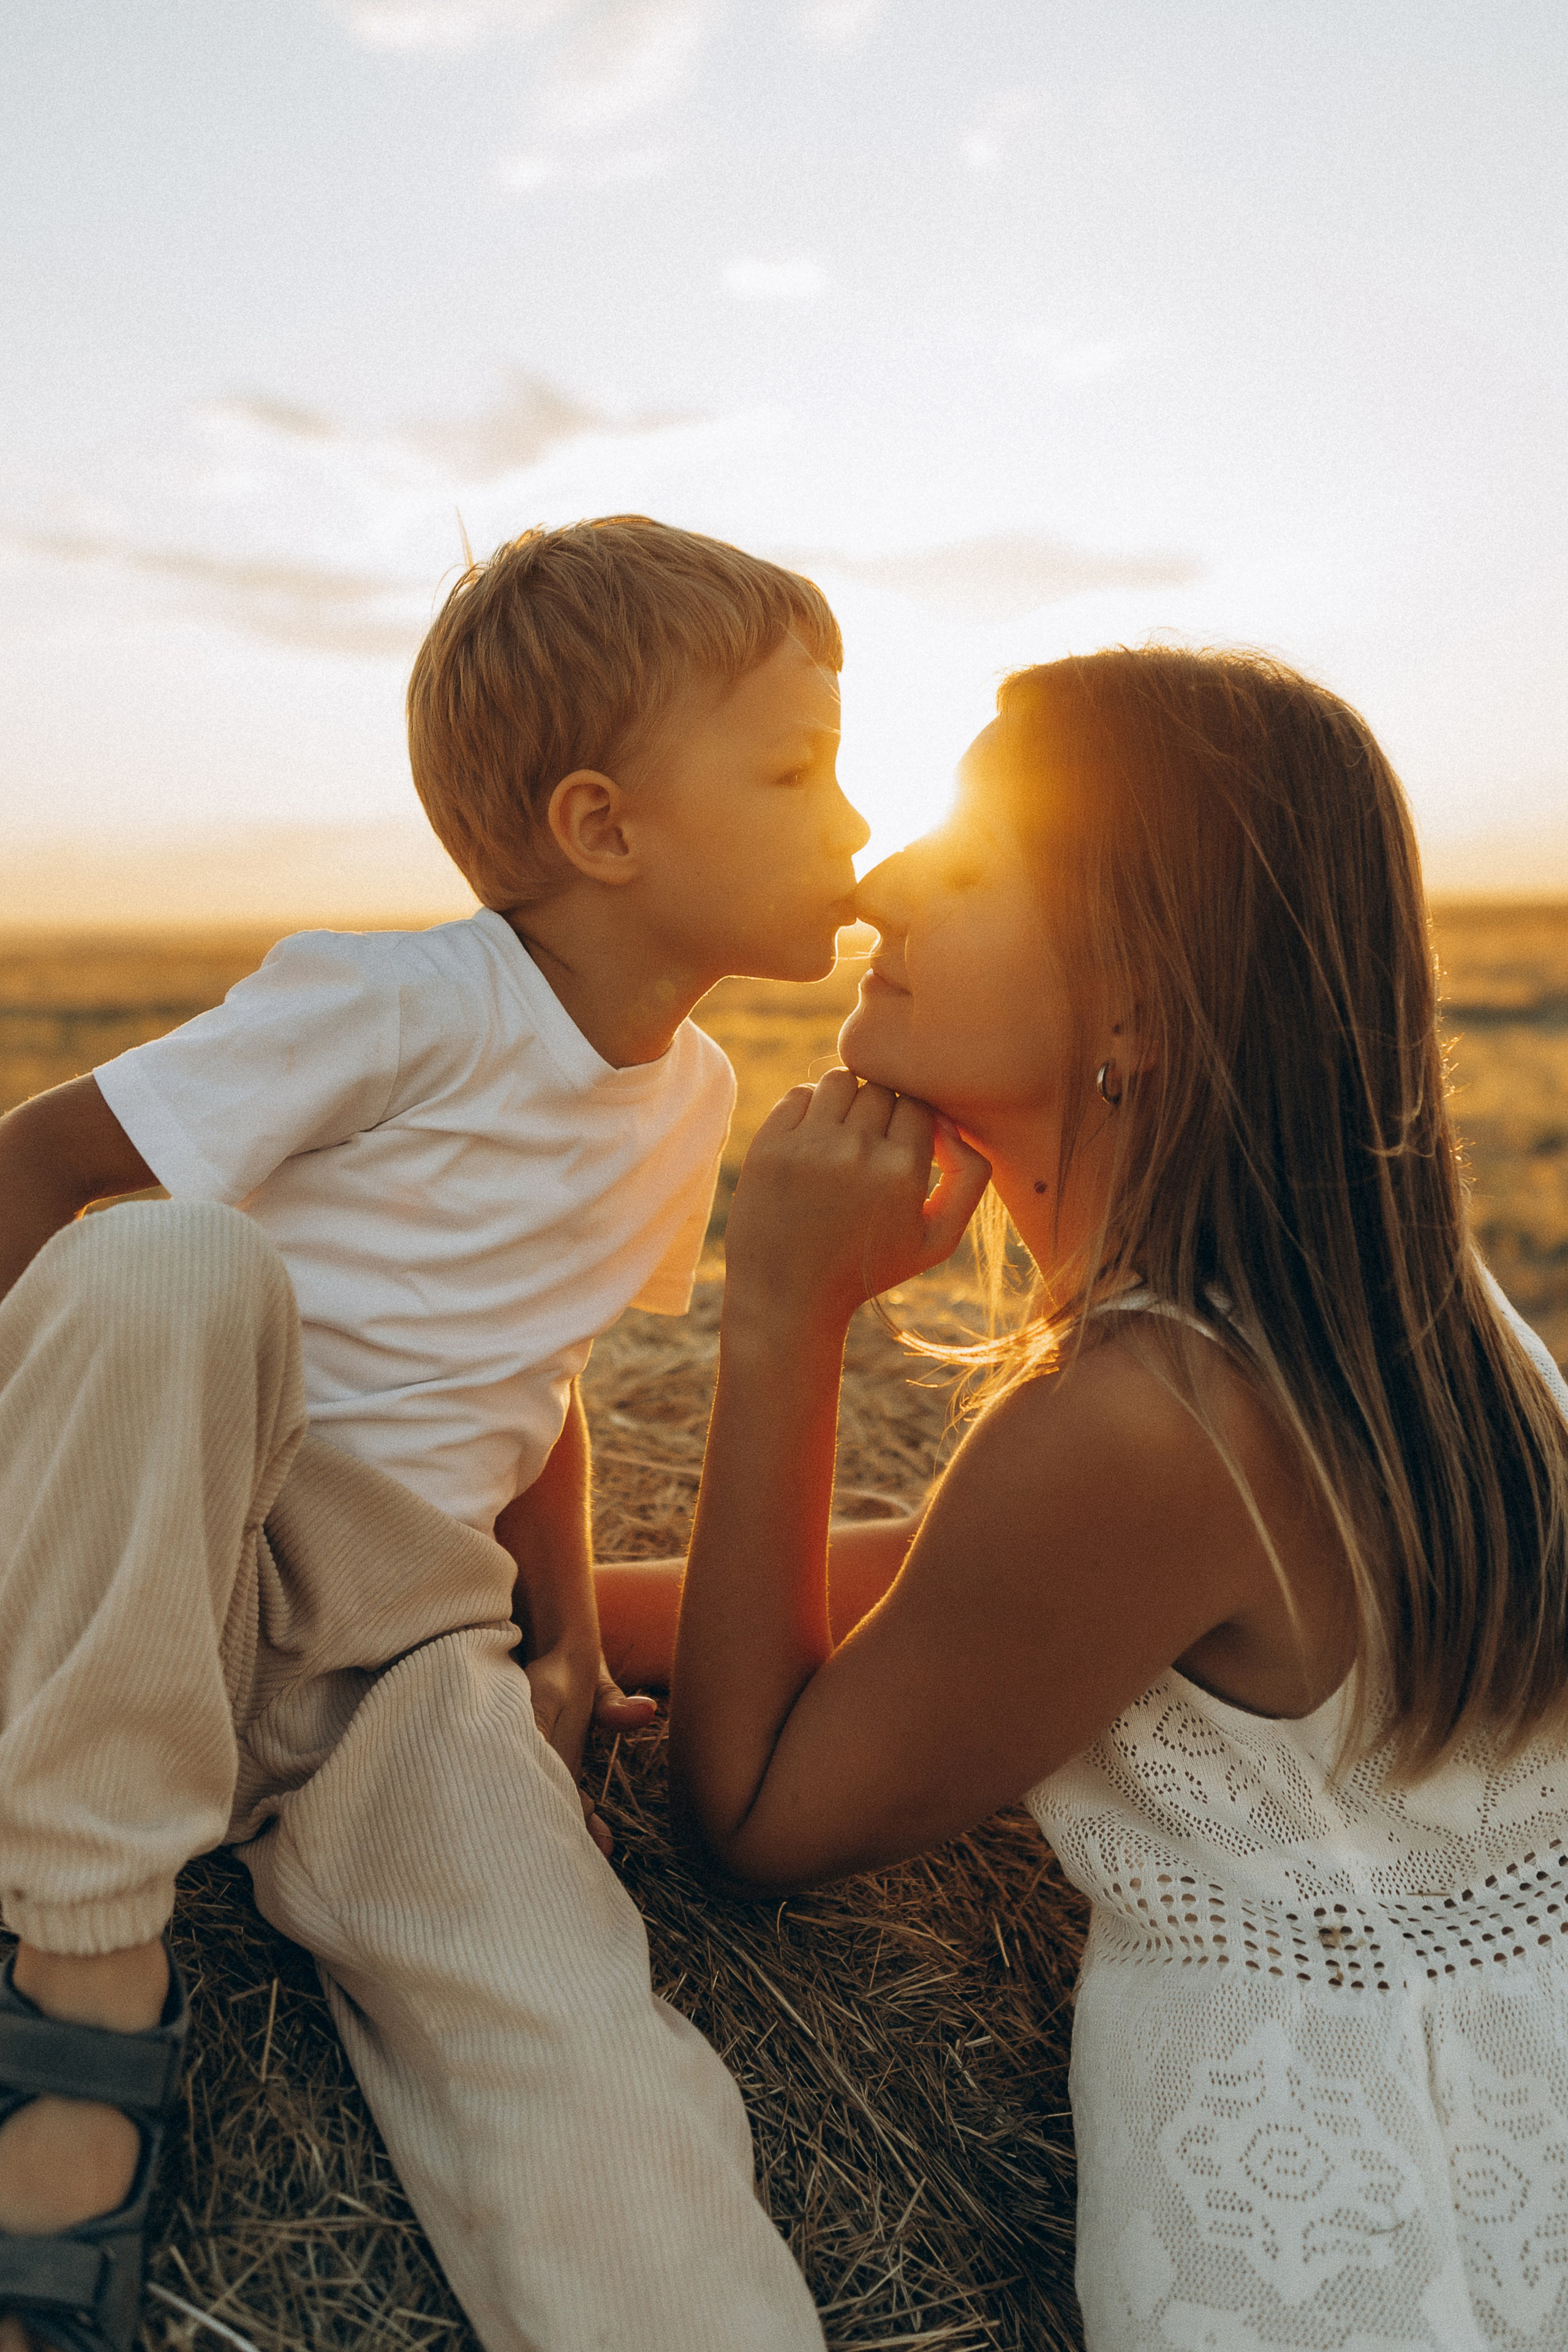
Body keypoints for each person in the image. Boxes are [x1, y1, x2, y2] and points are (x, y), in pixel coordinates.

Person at [0, 516, 862, 2352]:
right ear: (602, 828)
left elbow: (533, 1374)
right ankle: (86, 1960)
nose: (856, 820)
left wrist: (555, 1643)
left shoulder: (689, 1097)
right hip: (169, 1542)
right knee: (173, 1270)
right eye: (798, 766)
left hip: (391, 1659)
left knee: (572, 2029)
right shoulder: (396, 1002)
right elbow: (43, 1168)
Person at [652, 647, 1568, 2350]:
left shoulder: (1144, 1421)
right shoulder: (1418, 1339)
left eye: (973, 855)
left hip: (1327, 2265)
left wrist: (782, 1313)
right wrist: (514, 1586)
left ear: (1138, 1005)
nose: (878, 886)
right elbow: (960, 1599)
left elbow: (759, 1809)